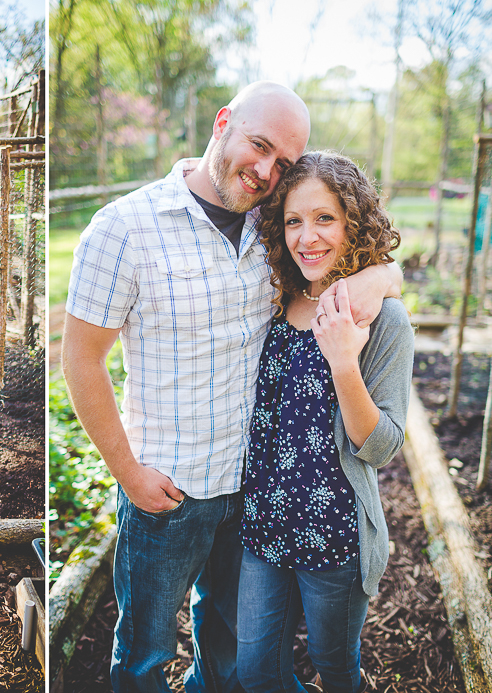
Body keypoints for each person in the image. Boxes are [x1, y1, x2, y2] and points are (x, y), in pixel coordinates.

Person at [61, 82, 402, 693]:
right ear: (223, 123)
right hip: (167, 490)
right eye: (259, 146)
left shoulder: (272, 230)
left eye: (283, 163)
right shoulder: (124, 228)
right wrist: (128, 473)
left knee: (226, 656)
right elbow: (81, 361)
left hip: (250, 495)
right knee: (143, 655)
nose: (266, 171)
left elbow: (347, 247)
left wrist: (378, 277)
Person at [236, 151, 413, 693]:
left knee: (332, 665)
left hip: (335, 536)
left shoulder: (382, 319)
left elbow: (382, 447)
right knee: (256, 670)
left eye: (324, 218)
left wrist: (343, 363)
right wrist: (389, 274)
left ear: (354, 222)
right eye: (293, 220)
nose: (307, 236)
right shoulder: (274, 298)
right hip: (263, 525)